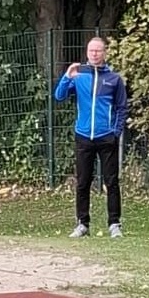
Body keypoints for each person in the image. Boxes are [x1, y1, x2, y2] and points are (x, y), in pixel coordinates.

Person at [54, 36, 129, 238]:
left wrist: (116, 132)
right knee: (83, 182)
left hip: (107, 137)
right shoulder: (79, 76)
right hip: (84, 136)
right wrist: (67, 76)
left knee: (111, 182)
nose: (95, 54)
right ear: (87, 53)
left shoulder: (114, 79)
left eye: (98, 50)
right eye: (91, 50)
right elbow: (59, 96)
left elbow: (122, 108)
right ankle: (82, 224)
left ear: (104, 53)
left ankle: (114, 224)